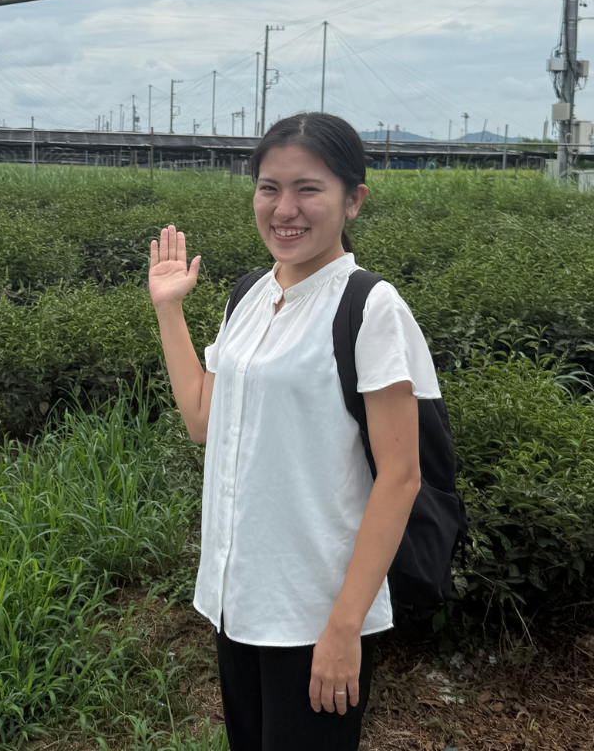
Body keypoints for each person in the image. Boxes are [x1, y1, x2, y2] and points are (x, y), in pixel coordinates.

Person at [148, 112, 439, 751]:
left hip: (316, 614)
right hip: (239, 598)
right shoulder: (251, 294)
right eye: (269, 187)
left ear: (352, 200)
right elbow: (202, 419)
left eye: (308, 188)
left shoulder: (370, 307)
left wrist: (343, 629)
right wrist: (170, 309)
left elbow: (401, 476)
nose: (286, 208)